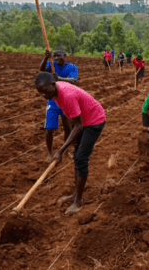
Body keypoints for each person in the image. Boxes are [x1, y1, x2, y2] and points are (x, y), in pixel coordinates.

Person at [35, 72, 106, 215]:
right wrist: (71, 141)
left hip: (94, 121)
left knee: (81, 158)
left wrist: (60, 150)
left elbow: (78, 126)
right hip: (83, 122)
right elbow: (72, 119)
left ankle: (78, 202)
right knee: (76, 157)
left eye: (44, 91)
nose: (43, 96)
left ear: (53, 84)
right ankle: (75, 195)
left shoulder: (66, 95)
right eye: (40, 93)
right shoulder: (54, 94)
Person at [40, 46, 78, 163]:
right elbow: (41, 70)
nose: (57, 58)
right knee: (49, 129)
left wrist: (59, 78)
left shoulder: (72, 67)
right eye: (55, 56)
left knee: (68, 128)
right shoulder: (52, 66)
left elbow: (73, 81)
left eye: (59, 55)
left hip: (66, 100)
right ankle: (50, 153)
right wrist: (45, 58)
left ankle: (66, 151)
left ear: (65, 56)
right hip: (53, 101)